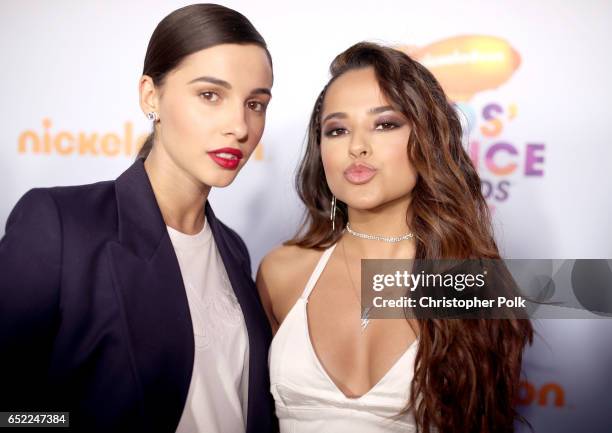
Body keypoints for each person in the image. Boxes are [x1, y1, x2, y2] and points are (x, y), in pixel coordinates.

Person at [0, 4, 277, 433]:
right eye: (210, 95)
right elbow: (11, 414)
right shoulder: (58, 224)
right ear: (151, 96)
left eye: (255, 104)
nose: (239, 126)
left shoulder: (234, 250)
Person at [257, 42, 533, 433]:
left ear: (427, 137)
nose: (357, 147)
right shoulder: (281, 272)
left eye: (385, 123)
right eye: (337, 130)